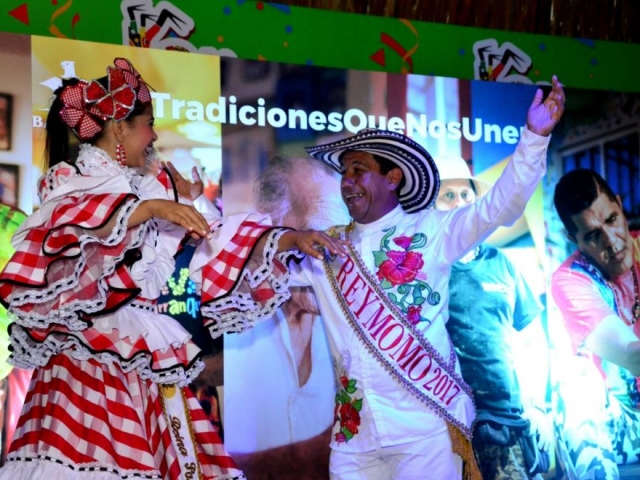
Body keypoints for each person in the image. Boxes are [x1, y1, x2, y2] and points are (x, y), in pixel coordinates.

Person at [200, 76, 565, 479]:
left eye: (359, 169)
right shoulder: (325, 249)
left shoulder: (434, 231)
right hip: (353, 439)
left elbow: (501, 206)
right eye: (344, 173)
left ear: (393, 178)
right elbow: (238, 253)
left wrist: (534, 136)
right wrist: (290, 237)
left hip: (423, 433)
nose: (348, 181)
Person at [0, 58, 343, 479]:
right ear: (120, 128)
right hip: (86, 361)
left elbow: (211, 243)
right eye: (148, 122)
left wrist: (285, 238)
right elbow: (76, 229)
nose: (155, 133)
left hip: (145, 351)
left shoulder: (149, 186)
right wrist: (150, 208)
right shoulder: (74, 180)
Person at [224, 156, 349, 479]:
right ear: (272, 233)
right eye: (318, 239)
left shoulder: (343, 325)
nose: (333, 258)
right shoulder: (234, 317)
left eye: (341, 240)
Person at [433, 154, 553, 479]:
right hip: (450, 426)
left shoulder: (502, 262)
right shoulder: (428, 270)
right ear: (430, 204)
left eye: (465, 195)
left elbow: (532, 339)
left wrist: (538, 406)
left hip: (509, 422)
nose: (459, 202)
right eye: (448, 195)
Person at [551, 168, 640, 479]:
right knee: (574, 377)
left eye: (612, 220)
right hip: (624, 425)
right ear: (573, 239)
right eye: (592, 235)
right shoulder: (571, 280)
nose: (612, 241)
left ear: (619, 204)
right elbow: (632, 355)